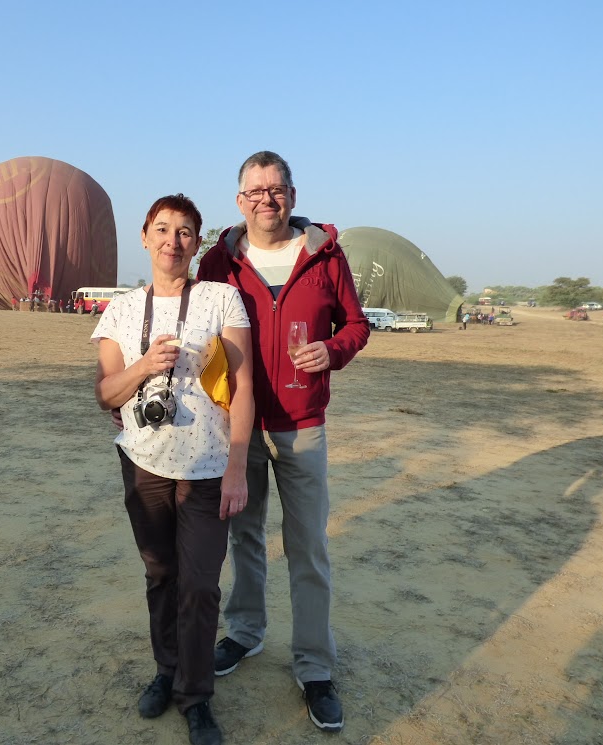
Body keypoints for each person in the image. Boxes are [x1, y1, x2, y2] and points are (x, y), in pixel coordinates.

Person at [197, 151, 370, 733]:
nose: (265, 199)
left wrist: (334, 350)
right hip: (238, 426)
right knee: (244, 536)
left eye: (276, 189)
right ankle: (244, 634)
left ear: (292, 197)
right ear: (239, 199)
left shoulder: (324, 255)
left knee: (307, 546)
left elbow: (356, 324)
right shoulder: (218, 262)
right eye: (254, 190)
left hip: (301, 424)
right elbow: (197, 331)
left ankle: (315, 666)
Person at [93, 194, 255, 745]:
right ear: (145, 237)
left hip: (209, 467)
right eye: (162, 229)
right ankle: (166, 671)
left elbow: (244, 385)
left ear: (197, 242)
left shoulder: (220, 299)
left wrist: (238, 465)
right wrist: (144, 365)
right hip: (144, 464)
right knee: (160, 572)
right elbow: (106, 392)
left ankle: (196, 695)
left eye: (185, 231)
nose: (172, 240)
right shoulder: (119, 310)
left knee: (201, 585)